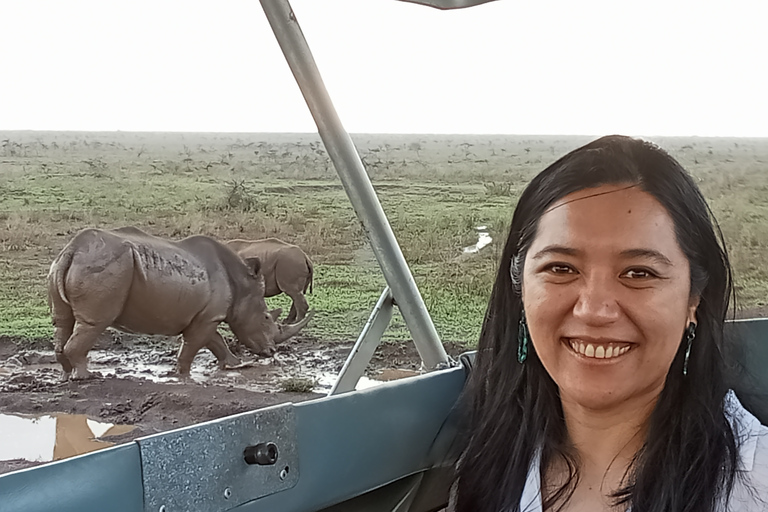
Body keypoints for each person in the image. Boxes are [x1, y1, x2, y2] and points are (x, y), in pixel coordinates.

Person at [452, 135, 768, 511]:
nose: (593, 310)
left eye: (638, 273)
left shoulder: (754, 481)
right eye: (560, 268)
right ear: (520, 289)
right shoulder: (486, 468)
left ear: (694, 300)